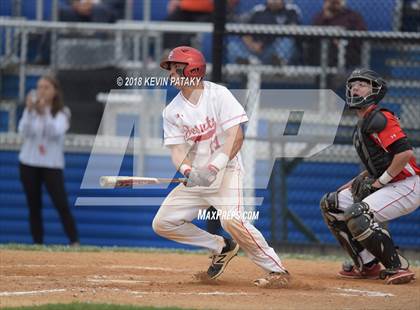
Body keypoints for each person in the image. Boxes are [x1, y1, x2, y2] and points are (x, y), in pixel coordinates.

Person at [153, 46, 289, 287]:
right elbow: (177, 151)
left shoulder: (219, 95)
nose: (171, 75)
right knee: (163, 223)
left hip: (226, 172)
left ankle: (277, 271)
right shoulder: (171, 111)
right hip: (198, 177)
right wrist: (188, 171)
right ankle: (221, 246)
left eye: (176, 70)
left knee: (231, 221)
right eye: (171, 70)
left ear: (193, 71)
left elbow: (236, 137)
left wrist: (213, 168)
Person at [320, 68, 419, 285]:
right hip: (389, 184)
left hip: (407, 184)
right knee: (332, 203)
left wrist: (378, 183)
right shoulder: (364, 122)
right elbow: (378, 163)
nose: (355, 88)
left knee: (358, 214)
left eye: (362, 85)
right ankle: (367, 264)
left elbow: (404, 154)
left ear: (375, 91)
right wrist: (353, 183)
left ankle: (397, 266)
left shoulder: (380, 116)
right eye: (353, 85)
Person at [18, 75, 79, 246]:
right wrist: (30, 111)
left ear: (55, 91)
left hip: (52, 165)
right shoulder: (31, 111)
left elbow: (55, 132)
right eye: (39, 87)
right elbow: (24, 131)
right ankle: (38, 243)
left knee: (61, 204)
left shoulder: (63, 112)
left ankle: (74, 241)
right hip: (29, 163)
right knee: (34, 206)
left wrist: (44, 112)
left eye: (46, 87)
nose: (41, 91)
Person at [227, 0, 301, 65]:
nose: (274, 1)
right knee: (232, 46)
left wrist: (266, 42)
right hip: (255, 50)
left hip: (273, 50)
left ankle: (279, 63)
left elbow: (293, 29)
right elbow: (243, 31)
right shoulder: (258, 10)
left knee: (287, 41)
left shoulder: (291, 10)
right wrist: (252, 45)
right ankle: (250, 63)